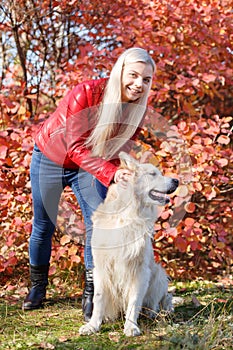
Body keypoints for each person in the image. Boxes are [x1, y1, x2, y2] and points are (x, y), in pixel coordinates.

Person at [22, 47, 156, 321]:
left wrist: (124, 177)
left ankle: (93, 293)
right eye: (133, 75)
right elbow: (74, 147)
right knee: (43, 224)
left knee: (98, 223)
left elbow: (122, 150)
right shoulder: (86, 93)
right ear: (120, 72)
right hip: (51, 157)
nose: (138, 84)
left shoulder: (138, 110)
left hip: (90, 165)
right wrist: (110, 173)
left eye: (146, 79)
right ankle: (37, 287)